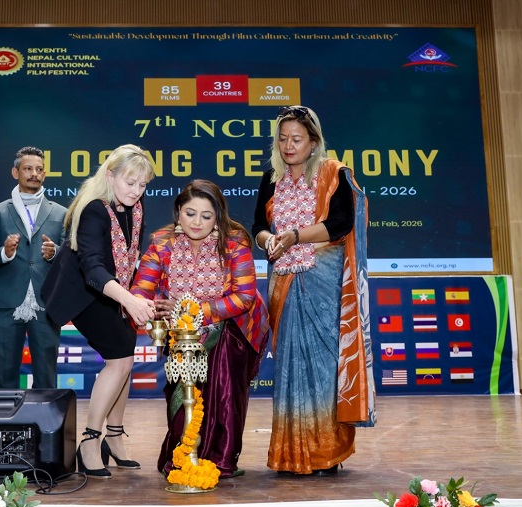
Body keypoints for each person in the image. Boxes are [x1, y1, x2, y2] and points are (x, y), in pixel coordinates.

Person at [251, 105, 374, 477]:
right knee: (290, 366)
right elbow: (258, 226)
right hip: (284, 281)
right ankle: (290, 453)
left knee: (323, 366)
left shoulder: (334, 174)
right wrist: (271, 240)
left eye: (297, 139)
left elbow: (341, 223)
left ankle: (325, 454)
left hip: (324, 283)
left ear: (314, 142)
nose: (289, 146)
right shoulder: (271, 178)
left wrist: (296, 236)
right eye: (283, 139)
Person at [131, 179, 270, 479]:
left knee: (223, 388)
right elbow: (141, 289)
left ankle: (220, 458)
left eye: (206, 216)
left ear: (217, 218)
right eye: (190, 213)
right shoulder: (162, 243)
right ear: (178, 212)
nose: (196, 222)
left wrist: (193, 310)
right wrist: (150, 306)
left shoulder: (234, 243)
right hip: (182, 332)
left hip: (233, 327)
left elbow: (244, 297)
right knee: (181, 392)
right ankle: (182, 455)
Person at [41, 144, 156, 478]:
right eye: (130, 182)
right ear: (110, 176)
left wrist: (134, 296)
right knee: (119, 359)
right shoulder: (93, 209)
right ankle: (90, 441)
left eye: (142, 185)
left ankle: (114, 437)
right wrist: (129, 301)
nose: (136, 191)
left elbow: (129, 257)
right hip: (82, 292)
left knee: (126, 355)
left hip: (112, 288)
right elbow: (92, 269)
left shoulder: (136, 207)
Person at [0, 146, 67, 389]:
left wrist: (55, 253)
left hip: (46, 304)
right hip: (6, 304)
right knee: (4, 380)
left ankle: (45, 416)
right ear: (15, 172)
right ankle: (5, 415)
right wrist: (4, 253)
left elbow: (72, 258)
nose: (34, 174)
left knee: (46, 380)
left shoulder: (61, 213)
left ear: (45, 174)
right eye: (28, 168)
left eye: (39, 169)